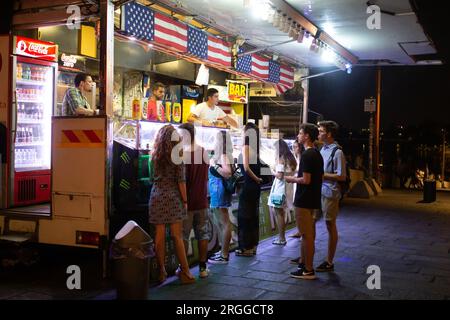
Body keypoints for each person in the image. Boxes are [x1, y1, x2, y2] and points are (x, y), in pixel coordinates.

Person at [148, 124, 195, 284]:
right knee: (177, 236)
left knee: (159, 237)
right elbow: (181, 182)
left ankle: (161, 272)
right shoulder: (178, 155)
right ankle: (186, 272)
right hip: (173, 197)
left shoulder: (154, 156)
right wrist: (186, 201)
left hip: (156, 196)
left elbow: (150, 178)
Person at [285, 123, 323, 280]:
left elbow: (306, 180)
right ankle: (304, 265)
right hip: (313, 198)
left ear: (307, 136)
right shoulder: (317, 154)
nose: (298, 136)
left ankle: (308, 269)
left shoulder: (308, 155)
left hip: (304, 199)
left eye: (300, 133)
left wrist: (290, 178)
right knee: (308, 235)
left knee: (306, 235)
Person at [178, 123, 211, 278]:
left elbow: (182, 180)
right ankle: (203, 268)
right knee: (202, 233)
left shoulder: (184, 155)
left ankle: (183, 268)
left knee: (183, 235)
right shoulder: (204, 152)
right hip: (202, 200)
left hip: (188, 203)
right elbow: (206, 176)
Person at [315, 120, 347, 272]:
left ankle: (329, 261)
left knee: (330, 225)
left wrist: (322, 175)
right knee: (312, 220)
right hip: (319, 190)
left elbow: (341, 176)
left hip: (330, 192)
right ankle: (306, 254)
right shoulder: (323, 149)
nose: (319, 133)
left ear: (329, 134)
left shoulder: (337, 152)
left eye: (321, 131)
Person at [235, 122, 263, 257]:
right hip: (255, 187)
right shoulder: (255, 148)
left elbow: (246, 167)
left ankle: (245, 247)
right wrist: (257, 180)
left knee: (244, 216)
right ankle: (252, 246)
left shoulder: (246, 146)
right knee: (252, 216)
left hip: (248, 185)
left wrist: (256, 179)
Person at [208, 130, 234, 264]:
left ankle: (224, 255)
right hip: (217, 190)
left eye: (216, 139)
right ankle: (222, 251)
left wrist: (214, 166)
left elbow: (228, 173)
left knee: (224, 223)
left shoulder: (223, 155)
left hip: (219, 190)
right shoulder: (223, 155)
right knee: (221, 222)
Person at [268, 139, 297, 246]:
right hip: (287, 189)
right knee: (282, 212)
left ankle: (281, 238)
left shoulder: (281, 159)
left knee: (279, 212)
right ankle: (281, 237)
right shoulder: (291, 158)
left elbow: (279, 176)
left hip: (280, 189)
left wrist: (271, 170)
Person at [289, 140, 303, 239]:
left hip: (299, 183)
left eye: (296, 147)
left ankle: (301, 230)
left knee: (299, 207)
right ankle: (299, 230)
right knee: (295, 207)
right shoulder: (295, 157)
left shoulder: (303, 158)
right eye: (293, 147)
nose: (294, 149)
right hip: (294, 183)